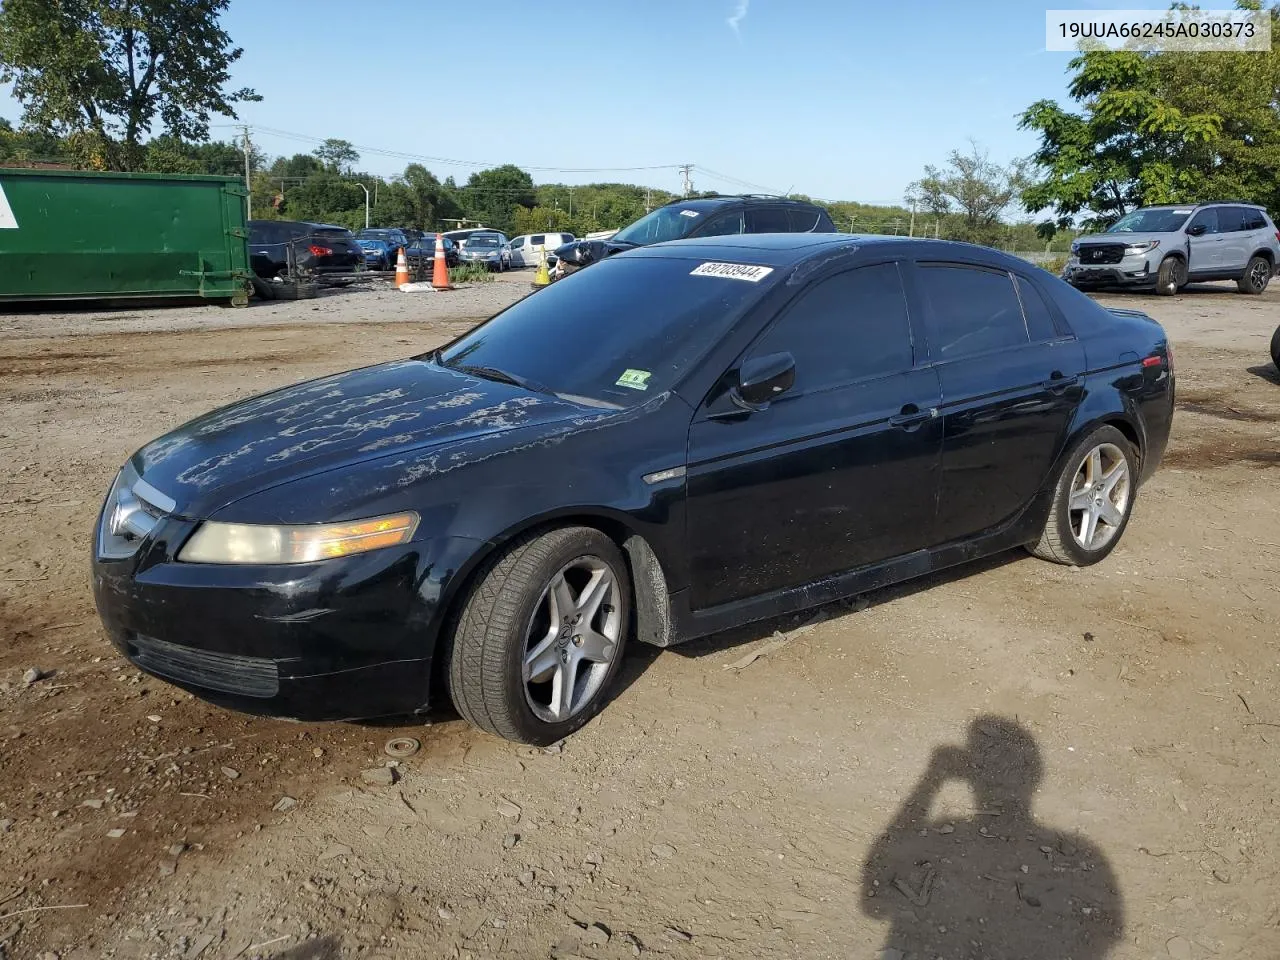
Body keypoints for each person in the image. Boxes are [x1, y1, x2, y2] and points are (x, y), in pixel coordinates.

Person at [862, 716, 1123, 959]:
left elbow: (873, 899)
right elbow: (1103, 935)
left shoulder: (941, 840)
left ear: (970, 776)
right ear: (1036, 777)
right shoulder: (1082, 856)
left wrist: (932, 778)